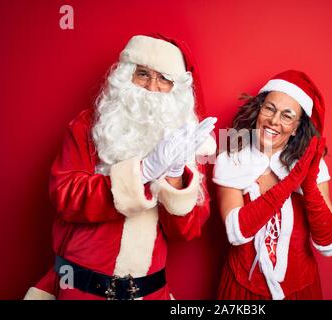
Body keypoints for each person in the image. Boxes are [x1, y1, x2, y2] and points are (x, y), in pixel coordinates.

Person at [24, 34, 217, 300]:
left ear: (177, 89)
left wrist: (174, 176)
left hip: (148, 292)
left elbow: (186, 231)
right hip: (82, 287)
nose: (151, 87)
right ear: (126, 77)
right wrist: (143, 172)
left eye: (164, 78)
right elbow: (65, 196)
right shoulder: (91, 126)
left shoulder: (184, 140)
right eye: (143, 74)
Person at [213, 70, 332, 300]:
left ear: (296, 128)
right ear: (258, 111)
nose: (274, 121)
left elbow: (329, 243)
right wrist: (292, 181)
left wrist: (309, 185)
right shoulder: (231, 158)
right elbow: (237, 232)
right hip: (242, 291)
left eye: (287, 115)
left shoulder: (312, 165)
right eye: (269, 109)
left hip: (300, 290)